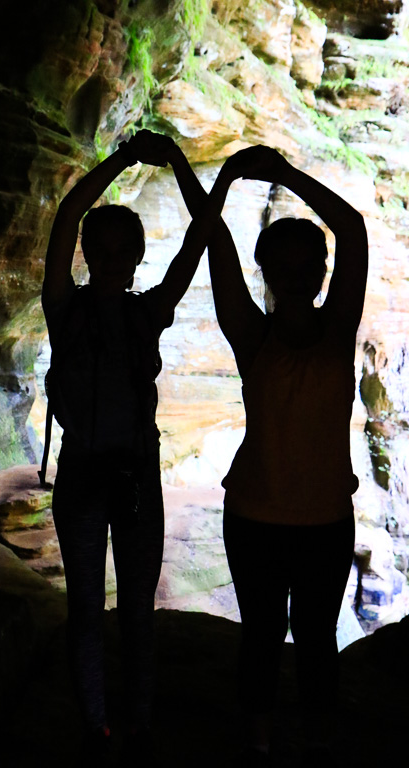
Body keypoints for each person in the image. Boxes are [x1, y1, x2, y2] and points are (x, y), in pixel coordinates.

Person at [41, 129, 226, 766]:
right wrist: (122, 158)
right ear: (89, 253)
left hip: (134, 477)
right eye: (104, 248)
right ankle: (99, 730)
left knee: (137, 613)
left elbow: (199, 241)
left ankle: (136, 726)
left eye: (126, 250)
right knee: (88, 610)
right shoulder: (62, 307)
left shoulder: (149, 311)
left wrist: (180, 162)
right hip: (89, 473)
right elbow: (67, 216)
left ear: (139, 256)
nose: (114, 259)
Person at [204, 146, 368, 767]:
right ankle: (260, 742)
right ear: (267, 272)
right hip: (255, 516)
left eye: (310, 267)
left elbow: (350, 227)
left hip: (326, 518)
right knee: (263, 638)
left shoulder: (339, 328)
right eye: (285, 267)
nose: (299, 278)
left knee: (319, 639)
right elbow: (215, 242)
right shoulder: (250, 335)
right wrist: (220, 179)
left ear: (324, 273)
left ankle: (318, 741)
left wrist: (282, 174)